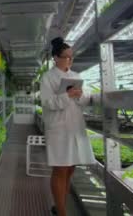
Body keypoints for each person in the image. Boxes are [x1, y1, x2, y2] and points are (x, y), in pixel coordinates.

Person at [40, 37, 95, 216]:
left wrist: (79, 95)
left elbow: (84, 100)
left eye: (72, 57)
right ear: (56, 58)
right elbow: (48, 103)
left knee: (71, 167)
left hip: (74, 126)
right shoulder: (47, 78)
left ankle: (59, 205)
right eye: (66, 57)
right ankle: (62, 212)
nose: (69, 60)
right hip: (59, 129)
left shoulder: (75, 76)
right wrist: (66, 96)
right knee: (60, 167)